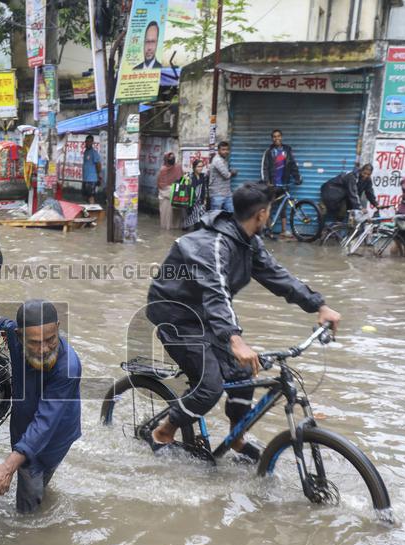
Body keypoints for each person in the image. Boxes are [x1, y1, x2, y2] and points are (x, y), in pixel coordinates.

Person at [145, 182, 341, 458]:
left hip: (207, 317)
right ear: (261, 214)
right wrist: (235, 340)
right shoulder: (213, 245)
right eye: (270, 211)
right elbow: (216, 292)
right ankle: (163, 432)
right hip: (177, 316)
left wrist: (319, 305)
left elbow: (278, 276)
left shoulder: (248, 243)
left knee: (246, 371)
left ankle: (237, 437)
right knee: (209, 387)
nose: (270, 216)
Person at [0, 300, 82, 514]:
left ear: (57, 327)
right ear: (20, 336)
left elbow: (44, 425)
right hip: (25, 423)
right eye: (34, 343)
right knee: (32, 476)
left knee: (29, 500)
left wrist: (8, 467)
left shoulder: (68, 367)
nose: (43, 349)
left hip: (52, 437)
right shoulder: (13, 335)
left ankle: (29, 529)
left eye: (50, 339)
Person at [260, 130, 302, 236]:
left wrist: (297, 178)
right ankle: (268, 229)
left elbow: (292, 165)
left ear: (281, 137)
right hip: (272, 185)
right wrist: (267, 182)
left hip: (284, 183)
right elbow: (264, 168)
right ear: (272, 138)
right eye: (274, 137)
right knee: (268, 206)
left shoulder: (287, 150)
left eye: (278, 136)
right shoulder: (269, 151)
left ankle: (283, 231)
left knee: (283, 207)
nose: (276, 138)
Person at [157, 151, 184, 230]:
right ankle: (166, 233)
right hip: (165, 196)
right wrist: (171, 191)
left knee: (176, 216)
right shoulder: (163, 170)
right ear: (166, 159)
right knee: (166, 216)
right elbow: (161, 185)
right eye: (169, 157)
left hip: (177, 195)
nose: (171, 158)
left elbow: (182, 180)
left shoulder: (178, 167)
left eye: (172, 157)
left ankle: (174, 232)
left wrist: (175, 191)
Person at [182, 157, 210, 231]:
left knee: (198, 220)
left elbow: (205, 189)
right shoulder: (189, 177)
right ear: (194, 167)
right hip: (191, 202)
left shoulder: (203, 176)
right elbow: (185, 188)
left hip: (200, 202)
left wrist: (205, 199)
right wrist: (186, 180)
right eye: (198, 166)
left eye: (201, 166)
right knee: (188, 220)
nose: (200, 168)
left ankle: (195, 233)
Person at [209, 141, 236, 213]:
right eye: (223, 149)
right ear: (218, 150)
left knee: (230, 214)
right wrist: (232, 173)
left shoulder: (224, 160)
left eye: (227, 149)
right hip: (217, 194)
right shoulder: (217, 160)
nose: (226, 151)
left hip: (226, 193)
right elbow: (226, 175)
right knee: (215, 216)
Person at [81, 134, 102, 204]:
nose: (88, 143)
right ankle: (89, 211)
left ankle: (92, 212)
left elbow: (98, 164)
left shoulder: (94, 152)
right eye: (87, 141)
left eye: (90, 141)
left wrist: (99, 176)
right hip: (85, 178)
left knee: (91, 196)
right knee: (85, 196)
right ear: (85, 142)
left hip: (92, 179)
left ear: (92, 142)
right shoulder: (86, 152)